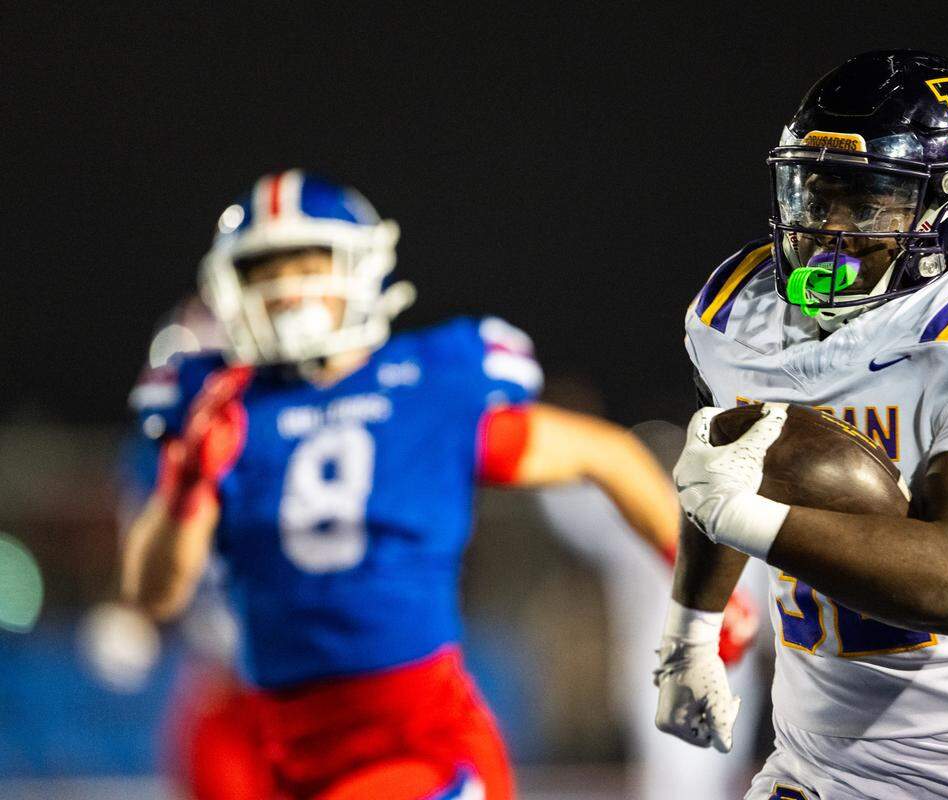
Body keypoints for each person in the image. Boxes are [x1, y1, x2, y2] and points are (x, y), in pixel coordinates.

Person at [119, 170, 710, 800]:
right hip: (285, 744)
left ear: (361, 266)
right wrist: (185, 483)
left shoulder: (426, 386)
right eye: (266, 270)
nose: (288, 289)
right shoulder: (224, 406)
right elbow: (154, 594)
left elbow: (609, 454)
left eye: (307, 262)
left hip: (421, 743)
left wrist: (705, 602)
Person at [653, 51, 948, 799]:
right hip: (818, 761)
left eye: (868, 202)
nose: (825, 230)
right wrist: (689, 634)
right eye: (814, 193)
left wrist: (740, 515)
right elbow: (728, 461)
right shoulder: (740, 311)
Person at [536, 417, 768, 799]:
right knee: (681, 778)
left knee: (698, 778)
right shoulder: (643, 517)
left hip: (717, 674)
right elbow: (570, 505)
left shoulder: (746, 519)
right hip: (664, 672)